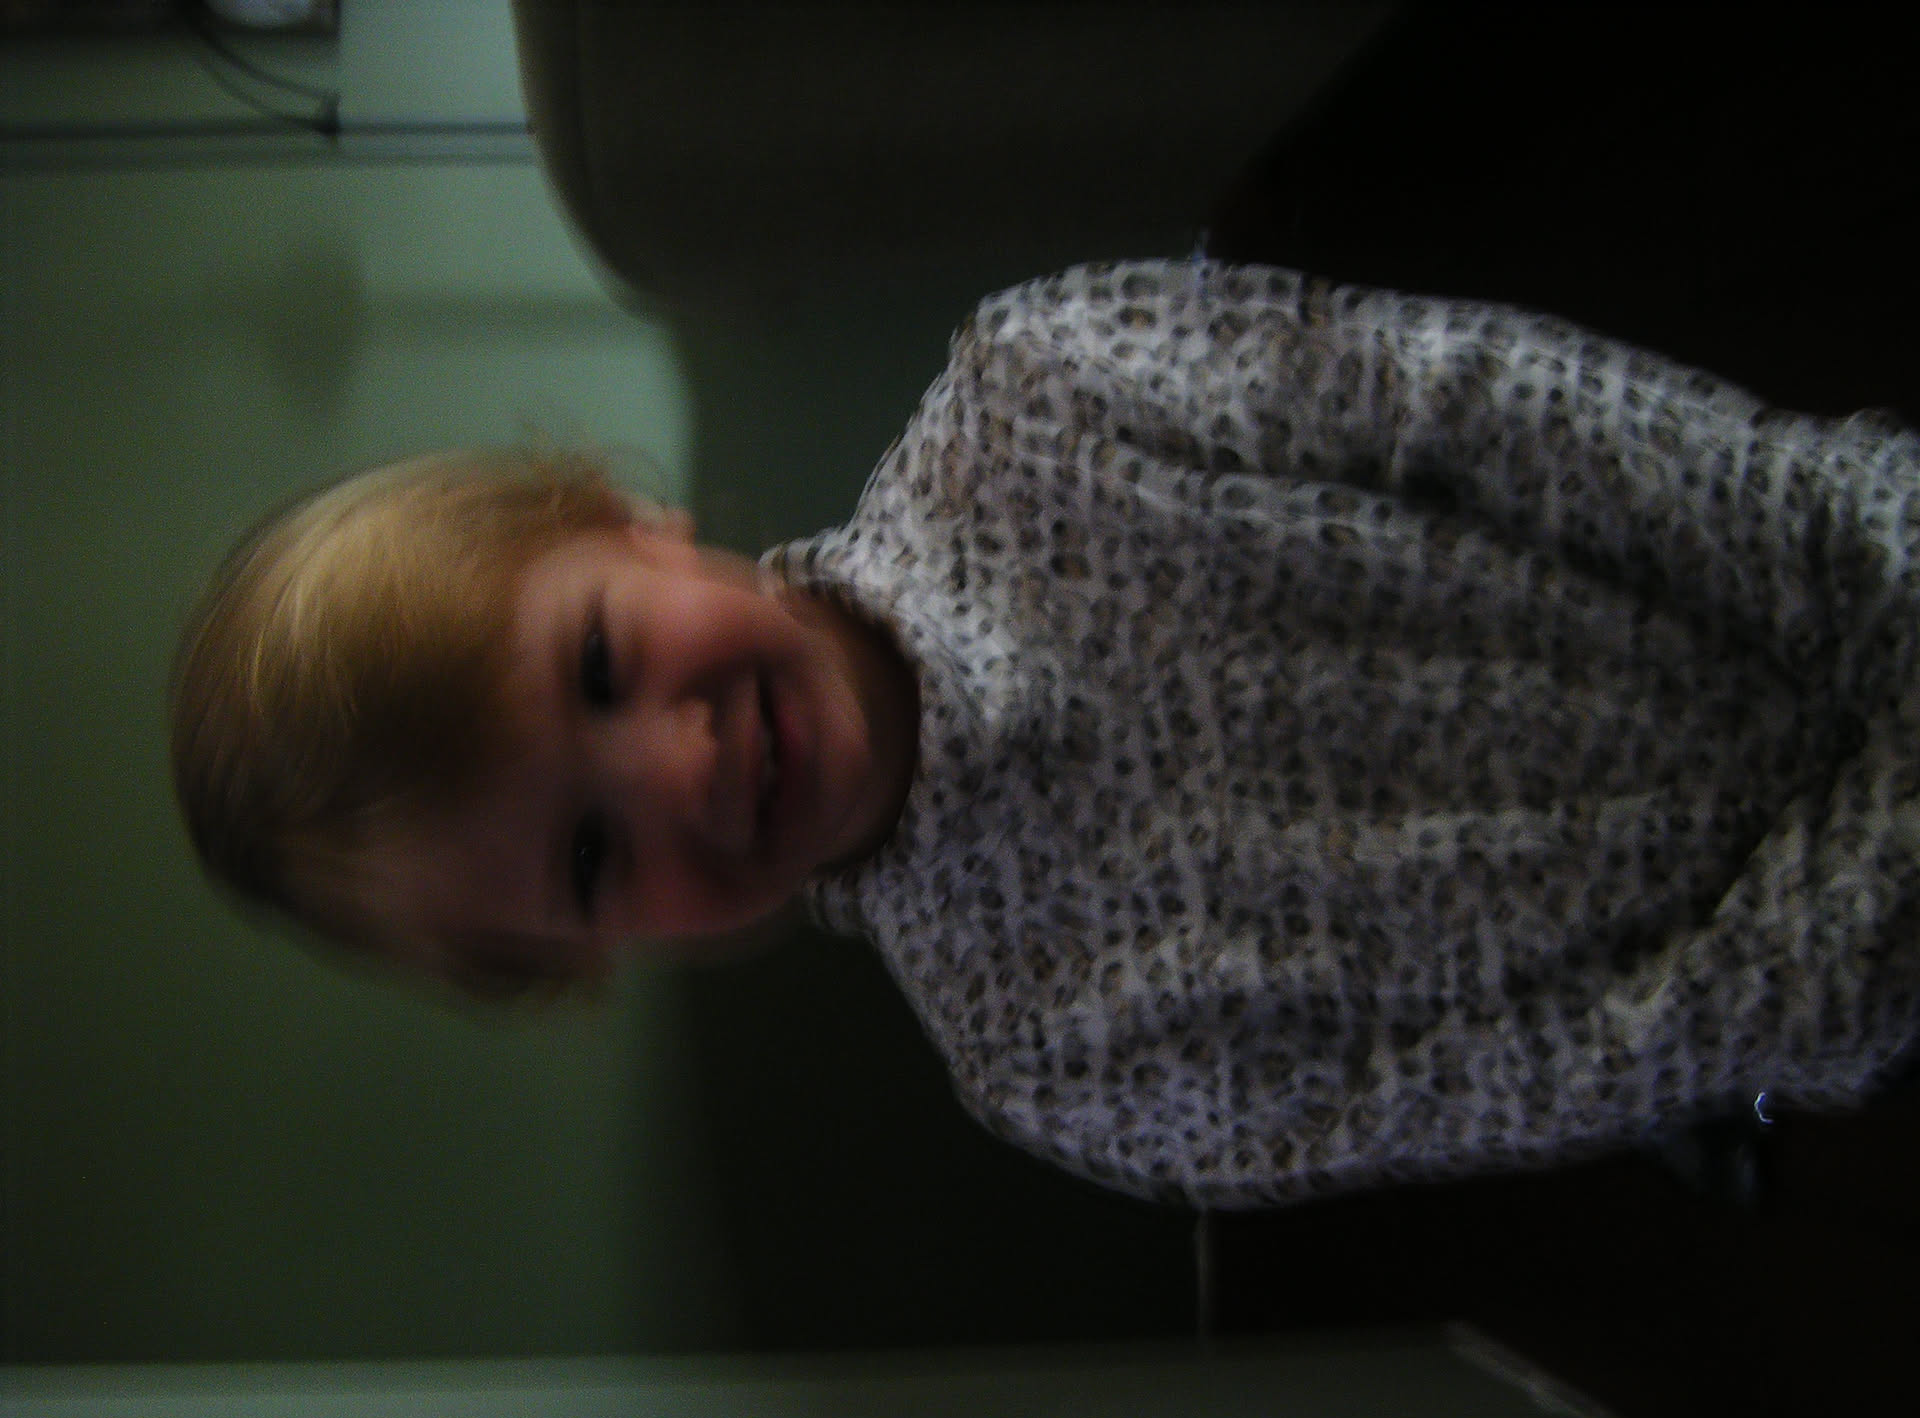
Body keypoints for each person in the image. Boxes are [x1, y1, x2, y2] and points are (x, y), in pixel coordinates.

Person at [172, 258, 1920, 1209]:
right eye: (586, 856)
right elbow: (1512, 1077)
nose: (679, 770)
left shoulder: (1044, 389)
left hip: (1834, 568)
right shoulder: (1053, 1059)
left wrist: (1858, 565)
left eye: (604, 665)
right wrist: (1842, 934)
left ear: (629, 521)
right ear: (594, 959)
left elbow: (1491, 412)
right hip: (1853, 949)